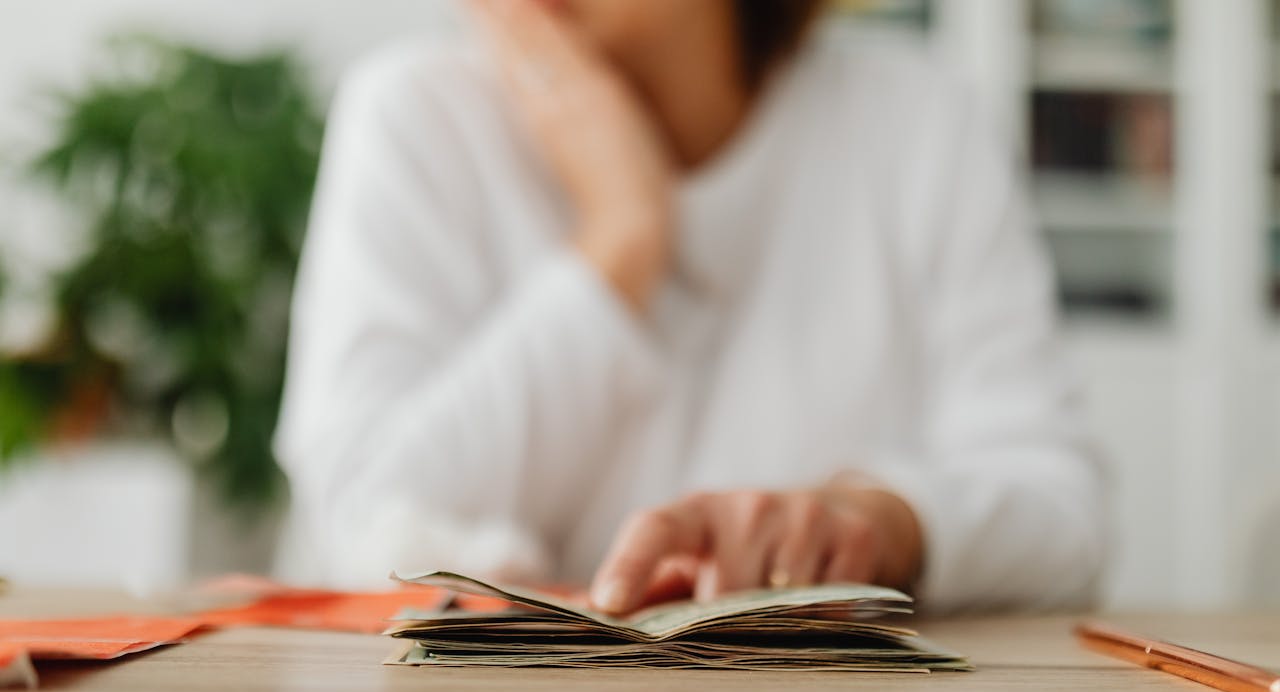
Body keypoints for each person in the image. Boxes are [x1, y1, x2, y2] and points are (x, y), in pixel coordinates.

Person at [275, 0, 1105, 614]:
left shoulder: (922, 125)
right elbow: (355, 514)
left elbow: (1064, 515)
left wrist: (879, 521)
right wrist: (623, 238)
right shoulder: (414, 114)